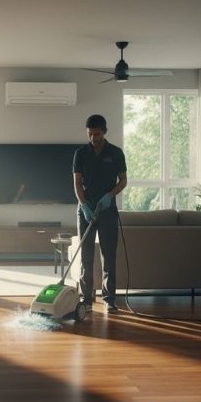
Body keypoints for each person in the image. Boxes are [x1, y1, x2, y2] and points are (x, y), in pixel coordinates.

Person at [73, 114, 127, 313]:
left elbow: (123, 181)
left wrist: (110, 196)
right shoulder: (81, 153)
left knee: (108, 255)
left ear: (104, 131)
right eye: (90, 134)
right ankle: (86, 299)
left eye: (96, 134)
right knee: (86, 256)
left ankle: (109, 299)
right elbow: (77, 183)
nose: (93, 138)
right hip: (86, 210)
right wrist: (84, 205)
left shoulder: (116, 153)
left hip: (107, 211)